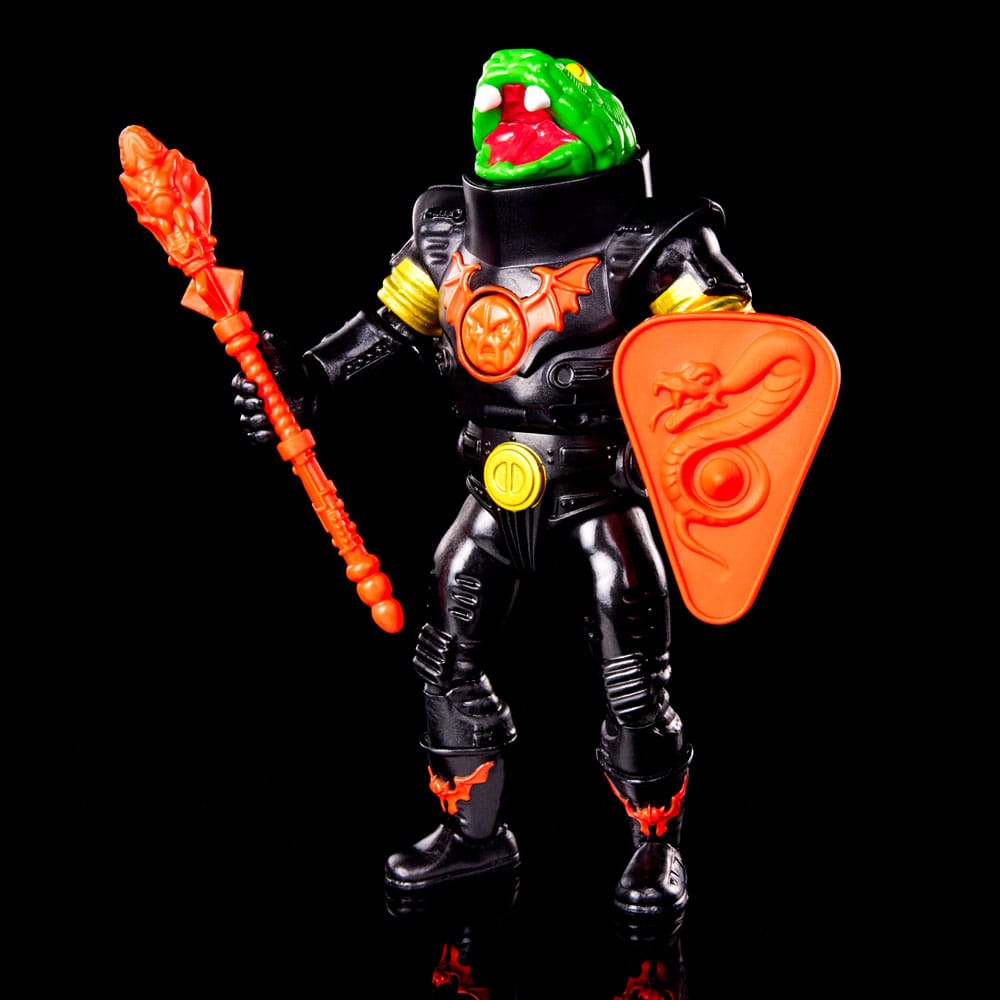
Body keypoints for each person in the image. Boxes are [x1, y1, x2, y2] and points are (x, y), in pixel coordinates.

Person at [234, 47, 754, 921]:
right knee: (447, 659)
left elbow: (737, 362)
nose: (512, 115)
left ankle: (655, 847)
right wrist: (307, 379)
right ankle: (473, 838)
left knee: (633, 679)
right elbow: (386, 327)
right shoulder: (449, 235)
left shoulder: (650, 246)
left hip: (604, 492)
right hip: (491, 489)